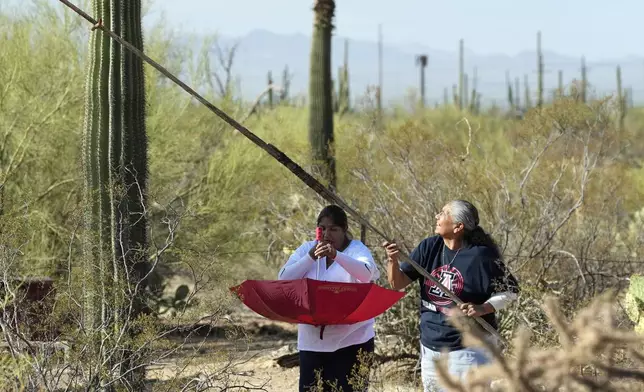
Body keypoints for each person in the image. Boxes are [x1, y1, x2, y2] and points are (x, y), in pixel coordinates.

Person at [382, 199, 519, 392]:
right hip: (430, 347)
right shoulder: (429, 247)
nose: (437, 216)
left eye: (444, 213)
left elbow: (511, 291)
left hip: (468, 351)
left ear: (458, 226)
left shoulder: (481, 256)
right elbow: (397, 283)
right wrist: (392, 260)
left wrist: (482, 308)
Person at [278, 204, 380, 392]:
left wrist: (336, 255)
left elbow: (366, 273)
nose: (327, 234)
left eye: (333, 229)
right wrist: (309, 257)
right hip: (312, 342)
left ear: (344, 230)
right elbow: (283, 278)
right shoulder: (307, 249)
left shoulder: (356, 249)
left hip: (351, 341)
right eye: (322, 229)